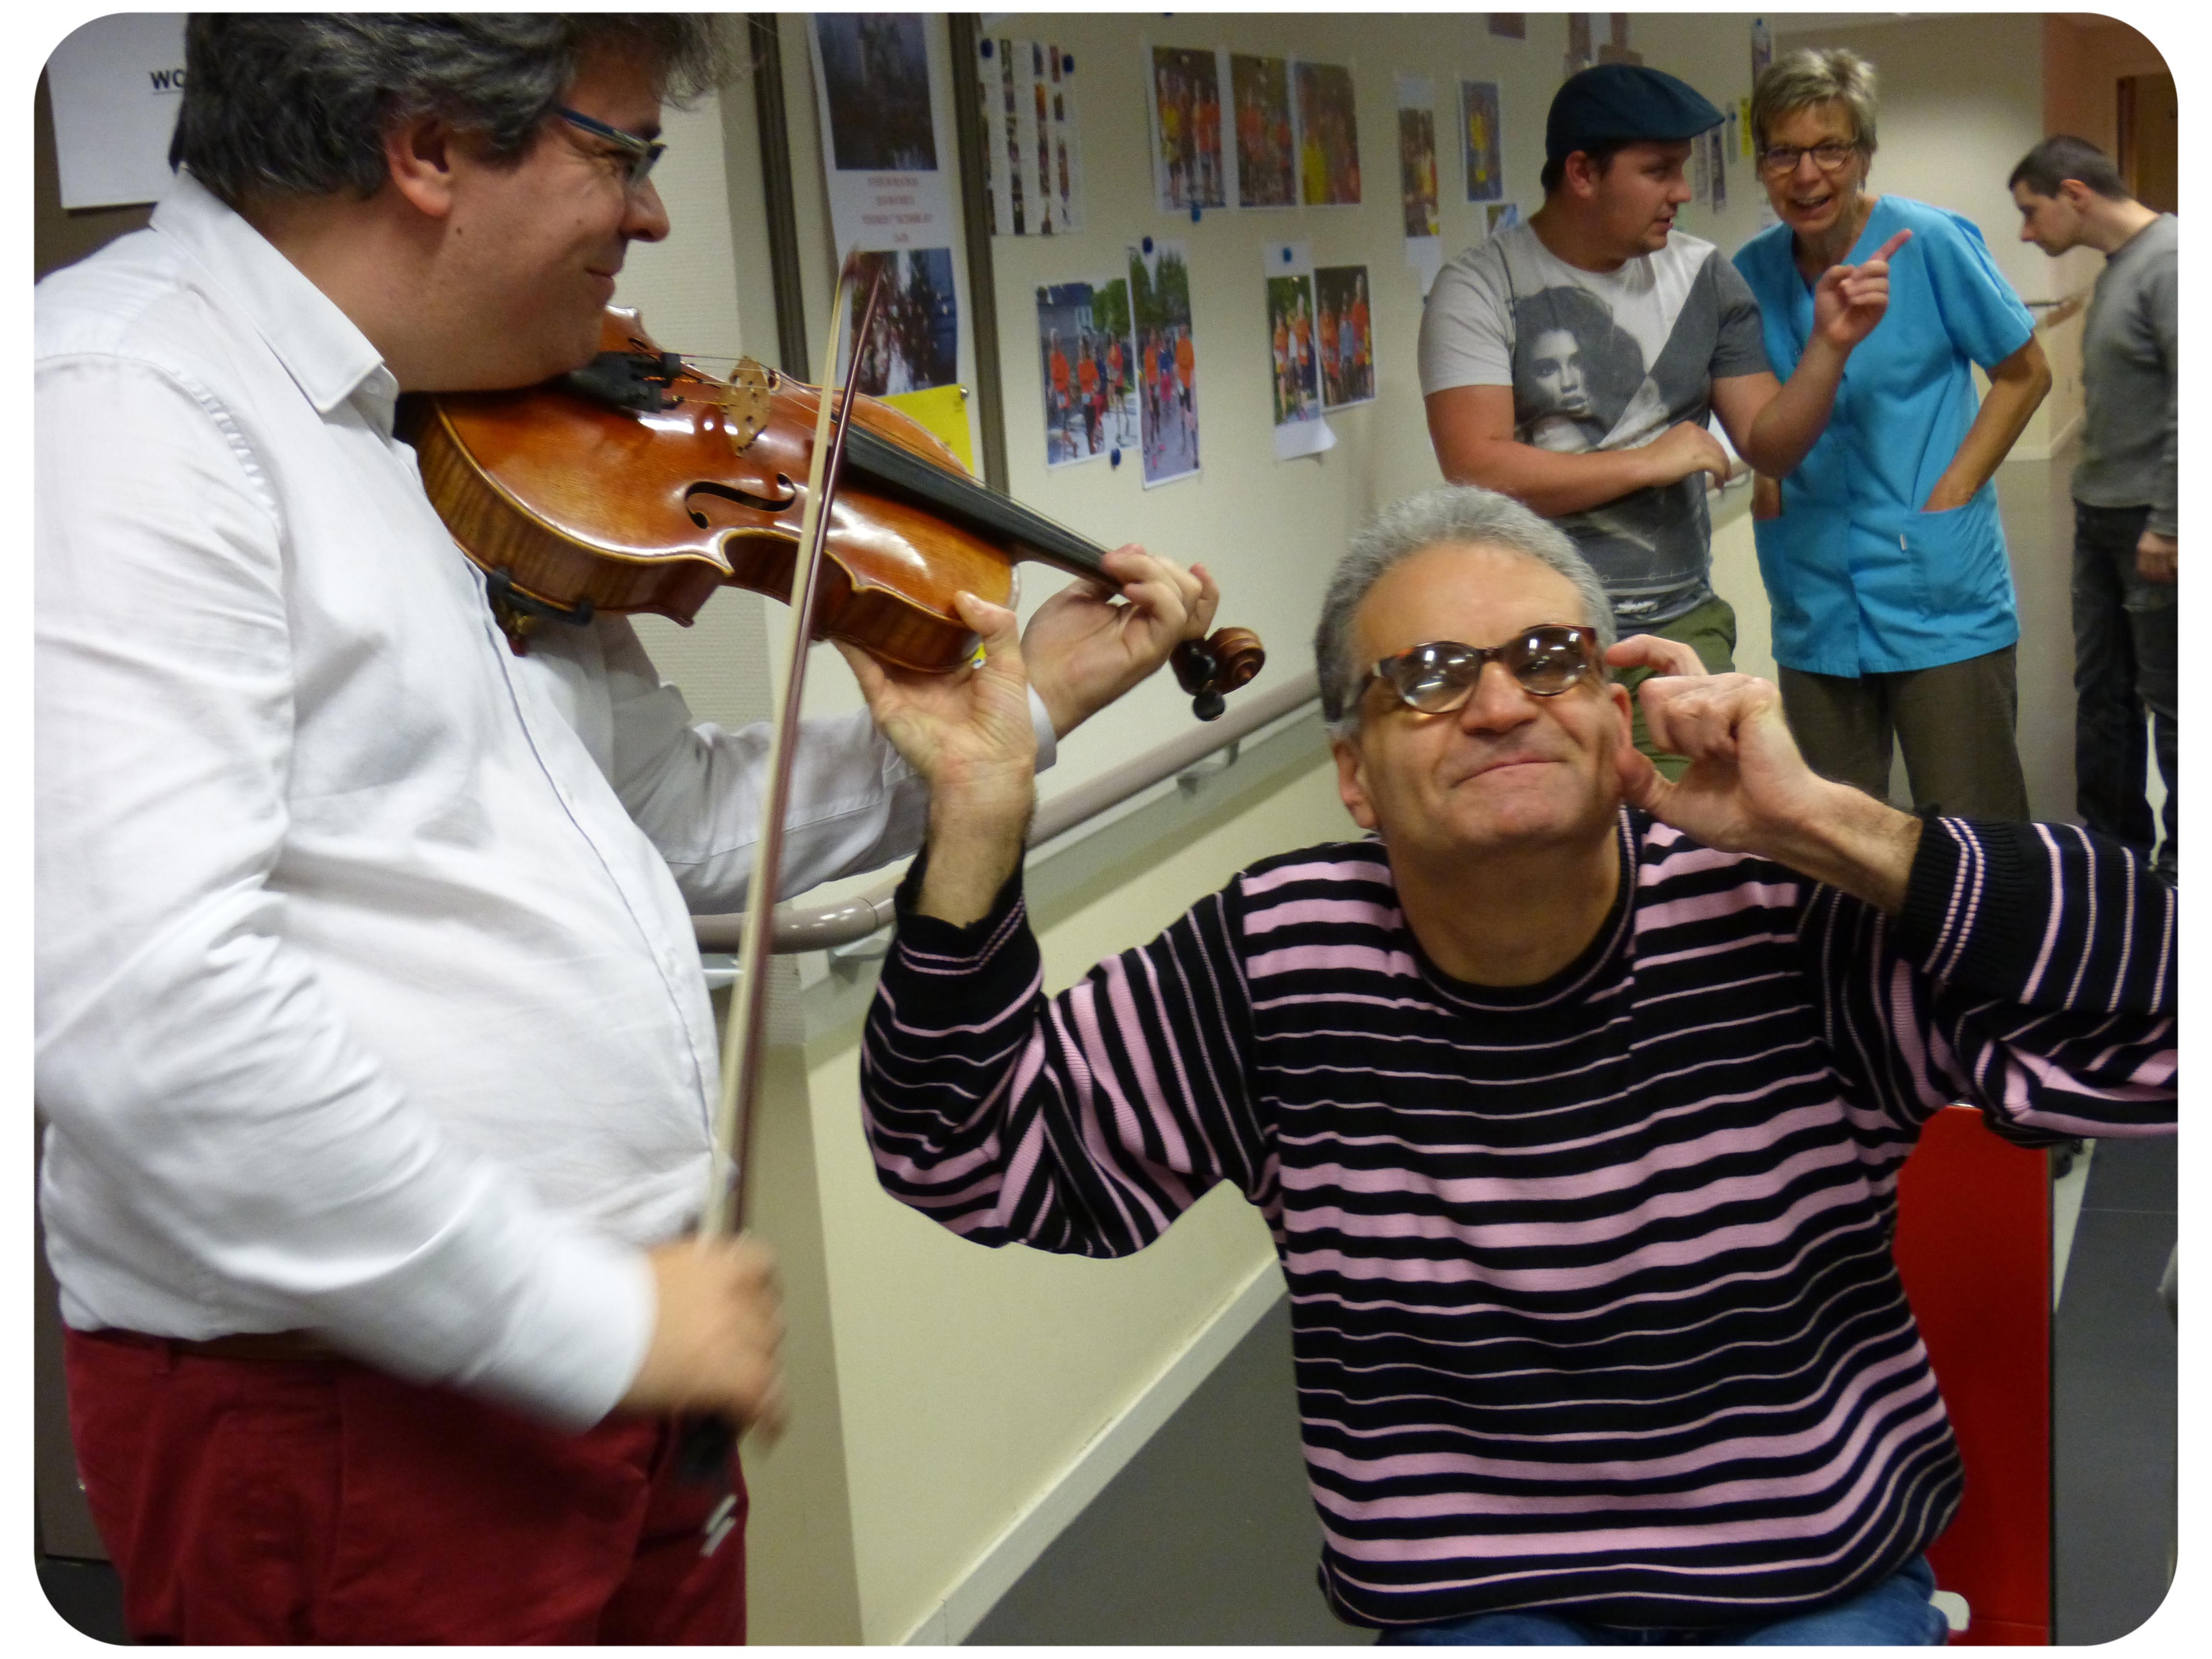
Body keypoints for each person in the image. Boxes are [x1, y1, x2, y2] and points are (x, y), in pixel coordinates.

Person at [35, 14, 1212, 1645]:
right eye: (628, 153)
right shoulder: (119, 405)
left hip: (609, 1370)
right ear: (429, 146)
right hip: (357, 1406)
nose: (652, 217)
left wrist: (1018, 713)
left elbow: (666, 825)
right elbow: (143, 1020)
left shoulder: (449, 435)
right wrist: (586, 1315)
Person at [844, 485, 2174, 1642]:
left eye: (1549, 657)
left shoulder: (1775, 905)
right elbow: (969, 1156)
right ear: (1356, 776)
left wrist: (1833, 828)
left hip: (1806, 1593)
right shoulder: (1278, 957)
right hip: (1480, 1608)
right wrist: (976, 812)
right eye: (1427, 676)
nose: (1494, 705)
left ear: (1621, 707)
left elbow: (2161, 1024)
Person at [1420, 63, 1908, 780]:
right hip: (1529, 639)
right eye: (1658, 172)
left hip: (1678, 629)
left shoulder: (1705, 277)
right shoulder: (1480, 287)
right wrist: (1650, 460)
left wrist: (1831, 346)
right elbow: (1478, 466)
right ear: (1583, 173)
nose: (1681, 191)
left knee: (1688, 860)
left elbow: (1770, 444)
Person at [1735, 49, 2051, 820]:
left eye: (1830, 148)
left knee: (1971, 823)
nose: (1807, 176)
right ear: (1762, 164)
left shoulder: (1930, 243)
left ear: (1864, 153)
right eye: (1783, 152)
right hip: (1813, 590)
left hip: (1937, 586)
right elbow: (1751, 406)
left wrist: (1954, 489)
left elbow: (2024, 373)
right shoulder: (1749, 272)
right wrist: (1767, 484)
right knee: (1832, 831)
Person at [2010, 134, 2176, 880]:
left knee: (2174, 702)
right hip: (2101, 516)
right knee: (2102, 695)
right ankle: (2113, 853)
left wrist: (2172, 522)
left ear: (2075, 194)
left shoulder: (2173, 262)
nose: (2025, 231)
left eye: (2030, 211)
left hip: (2153, 523)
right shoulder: (2122, 270)